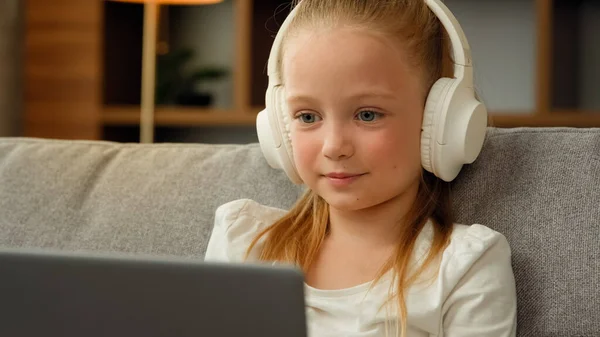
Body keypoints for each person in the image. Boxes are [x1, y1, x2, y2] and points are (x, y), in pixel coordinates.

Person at [205, 0, 517, 336]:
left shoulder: (464, 267)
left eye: (367, 114)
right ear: (279, 128)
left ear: (438, 121)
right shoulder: (244, 244)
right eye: (307, 117)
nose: (334, 146)